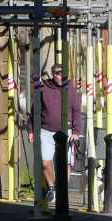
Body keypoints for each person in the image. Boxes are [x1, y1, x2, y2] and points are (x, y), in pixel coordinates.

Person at [32, 64, 83, 206]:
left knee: (65, 163)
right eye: (57, 73)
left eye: (62, 73)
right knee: (45, 162)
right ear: (53, 74)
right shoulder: (44, 89)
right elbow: (34, 109)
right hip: (46, 131)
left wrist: (77, 132)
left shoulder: (71, 91)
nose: (60, 76)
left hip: (66, 132)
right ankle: (52, 188)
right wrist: (31, 130)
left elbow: (77, 112)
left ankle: (62, 190)